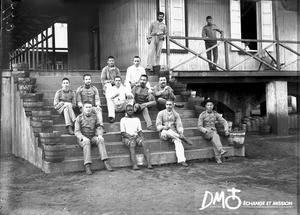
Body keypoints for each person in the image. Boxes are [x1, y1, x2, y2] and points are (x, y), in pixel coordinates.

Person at [74, 101, 114, 175]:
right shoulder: (79, 118)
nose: (88, 109)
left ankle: (105, 162)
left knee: (100, 140)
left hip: (92, 137)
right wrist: (83, 138)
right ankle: (87, 165)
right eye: (86, 107)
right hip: (83, 139)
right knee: (86, 142)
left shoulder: (95, 117)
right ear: (83, 108)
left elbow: (98, 127)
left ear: (92, 108)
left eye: (90, 107)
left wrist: (99, 135)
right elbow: (77, 132)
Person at [156, 100, 193, 167]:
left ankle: (181, 160)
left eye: (170, 105)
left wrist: (181, 132)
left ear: (173, 105)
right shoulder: (161, 113)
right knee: (167, 132)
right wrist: (164, 127)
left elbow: (179, 125)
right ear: (165, 105)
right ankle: (182, 137)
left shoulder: (176, 114)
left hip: (173, 133)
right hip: (164, 133)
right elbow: (158, 126)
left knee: (178, 142)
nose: (168, 106)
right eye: (167, 104)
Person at [120, 104, 153, 170]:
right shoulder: (123, 119)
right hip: (127, 137)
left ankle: (149, 163)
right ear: (126, 111)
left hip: (136, 136)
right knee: (132, 143)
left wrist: (142, 137)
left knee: (144, 142)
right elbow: (123, 133)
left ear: (133, 111)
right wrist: (130, 137)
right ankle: (134, 164)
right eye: (128, 110)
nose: (130, 111)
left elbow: (140, 130)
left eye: (131, 110)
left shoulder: (137, 119)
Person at [197, 98, 228, 164]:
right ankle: (221, 150)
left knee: (214, 137)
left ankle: (218, 159)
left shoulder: (215, 114)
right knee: (215, 135)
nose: (210, 106)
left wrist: (226, 130)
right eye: (208, 105)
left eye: (211, 105)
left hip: (213, 132)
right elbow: (199, 126)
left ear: (213, 106)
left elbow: (224, 122)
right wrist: (205, 130)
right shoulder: (202, 115)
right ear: (205, 106)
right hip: (205, 132)